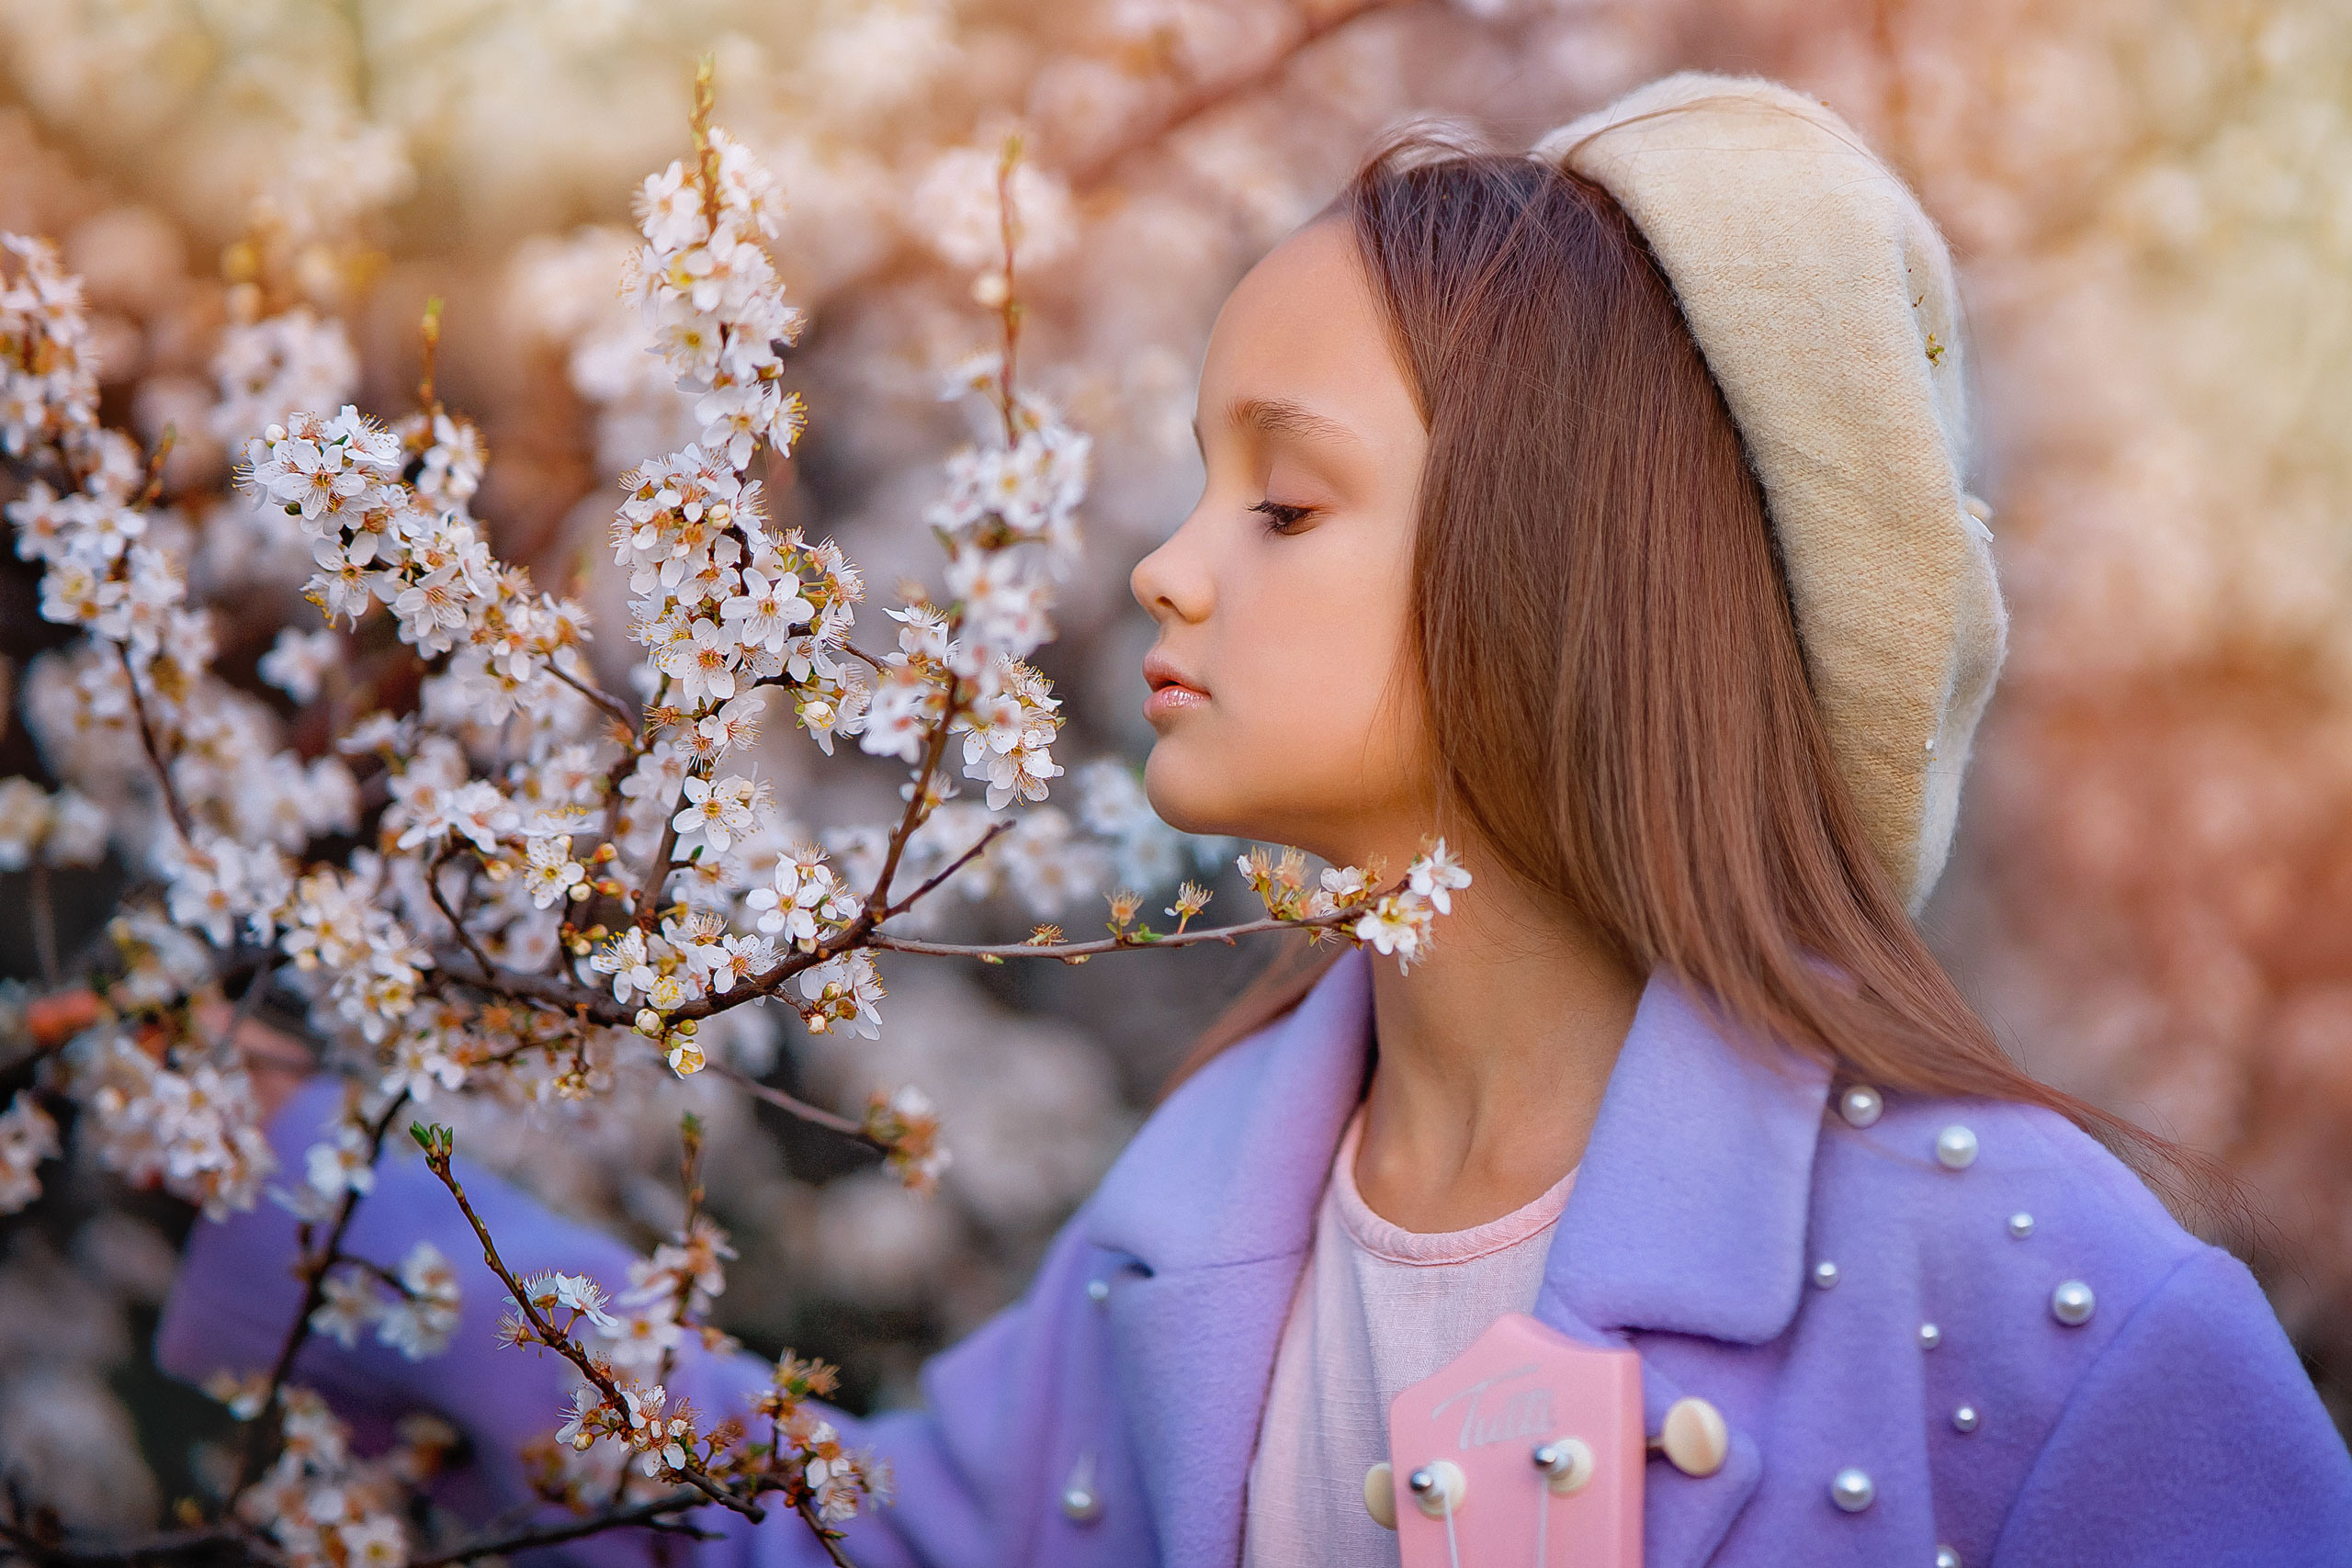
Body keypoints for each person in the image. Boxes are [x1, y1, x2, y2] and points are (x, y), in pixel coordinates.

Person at [160, 73, 2352, 1568]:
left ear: (1558, 570)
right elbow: (819, 1529)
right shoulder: (1193, 1223)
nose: (1165, 565)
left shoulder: (2031, 1297)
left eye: (1283, 498)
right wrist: (298, 1186)